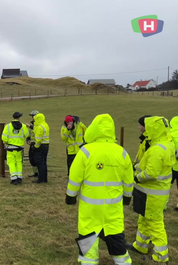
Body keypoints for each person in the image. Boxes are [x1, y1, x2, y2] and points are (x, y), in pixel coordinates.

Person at [66, 114, 134, 265]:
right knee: (116, 237)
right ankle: (123, 262)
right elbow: (129, 180)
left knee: (88, 241)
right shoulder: (121, 152)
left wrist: (70, 196)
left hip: (90, 210)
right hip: (113, 208)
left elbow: (75, 177)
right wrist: (128, 197)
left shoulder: (85, 152)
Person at [127, 116, 175, 264]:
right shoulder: (167, 144)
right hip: (152, 192)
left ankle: (161, 257)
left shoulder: (157, 150)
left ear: (153, 129)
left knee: (155, 224)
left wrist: (135, 178)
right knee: (144, 218)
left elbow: (150, 173)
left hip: (152, 194)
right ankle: (140, 246)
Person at [1, 112, 30, 185]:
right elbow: (27, 135)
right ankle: (19, 177)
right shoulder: (23, 126)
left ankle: (14, 178)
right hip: (19, 148)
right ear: (19, 118)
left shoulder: (7, 126)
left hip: (10, 148)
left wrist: (7, 142)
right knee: (19, 162)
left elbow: (4, 138)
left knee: (11, 163)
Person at [32, 112, 50, 183]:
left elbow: (38, 139)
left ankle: (41, 178)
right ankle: (44, 178)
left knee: (40, 163)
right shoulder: (45, 125)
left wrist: (35, 147)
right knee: (44, 162)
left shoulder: (39, 127)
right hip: (46, 145)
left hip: (40, 146)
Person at [27, 110, 39, 178]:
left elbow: (36, 130)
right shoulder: (32, 125)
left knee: (38, 159)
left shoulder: (39, 125)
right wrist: (28, 139)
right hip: (32, 144)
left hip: (38, 144)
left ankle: (39, 172)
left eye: (33, 116)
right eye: (32, 116)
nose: (32, 118)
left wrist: (30, 127)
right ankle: (35, 173)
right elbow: (30, 133)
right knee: (32, 159)